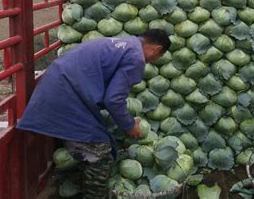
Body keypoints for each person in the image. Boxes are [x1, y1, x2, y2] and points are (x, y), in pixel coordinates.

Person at [17, 29, 171, 199]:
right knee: (100, 155)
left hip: (60, 89)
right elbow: (113, 99)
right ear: (156, 50)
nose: (152, 61)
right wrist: (129, 125)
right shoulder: (136, 57)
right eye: (157, 58)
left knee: (90, 146)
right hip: (67, 97)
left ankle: (83, 182)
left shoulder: (122, 43)